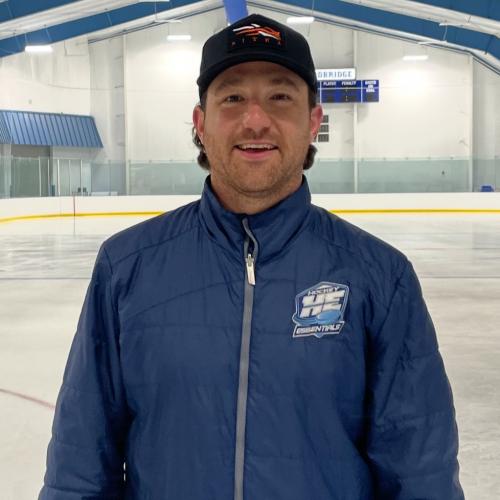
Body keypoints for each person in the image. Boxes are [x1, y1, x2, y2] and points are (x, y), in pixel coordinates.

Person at [40, 13, 464, 500]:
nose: (256, 119)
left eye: (280, 97)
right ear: (201, 123)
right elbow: (78, 466)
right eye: (233, 98)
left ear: (313, 122)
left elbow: (421, 474)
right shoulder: (126, 267)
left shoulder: (380, 277)